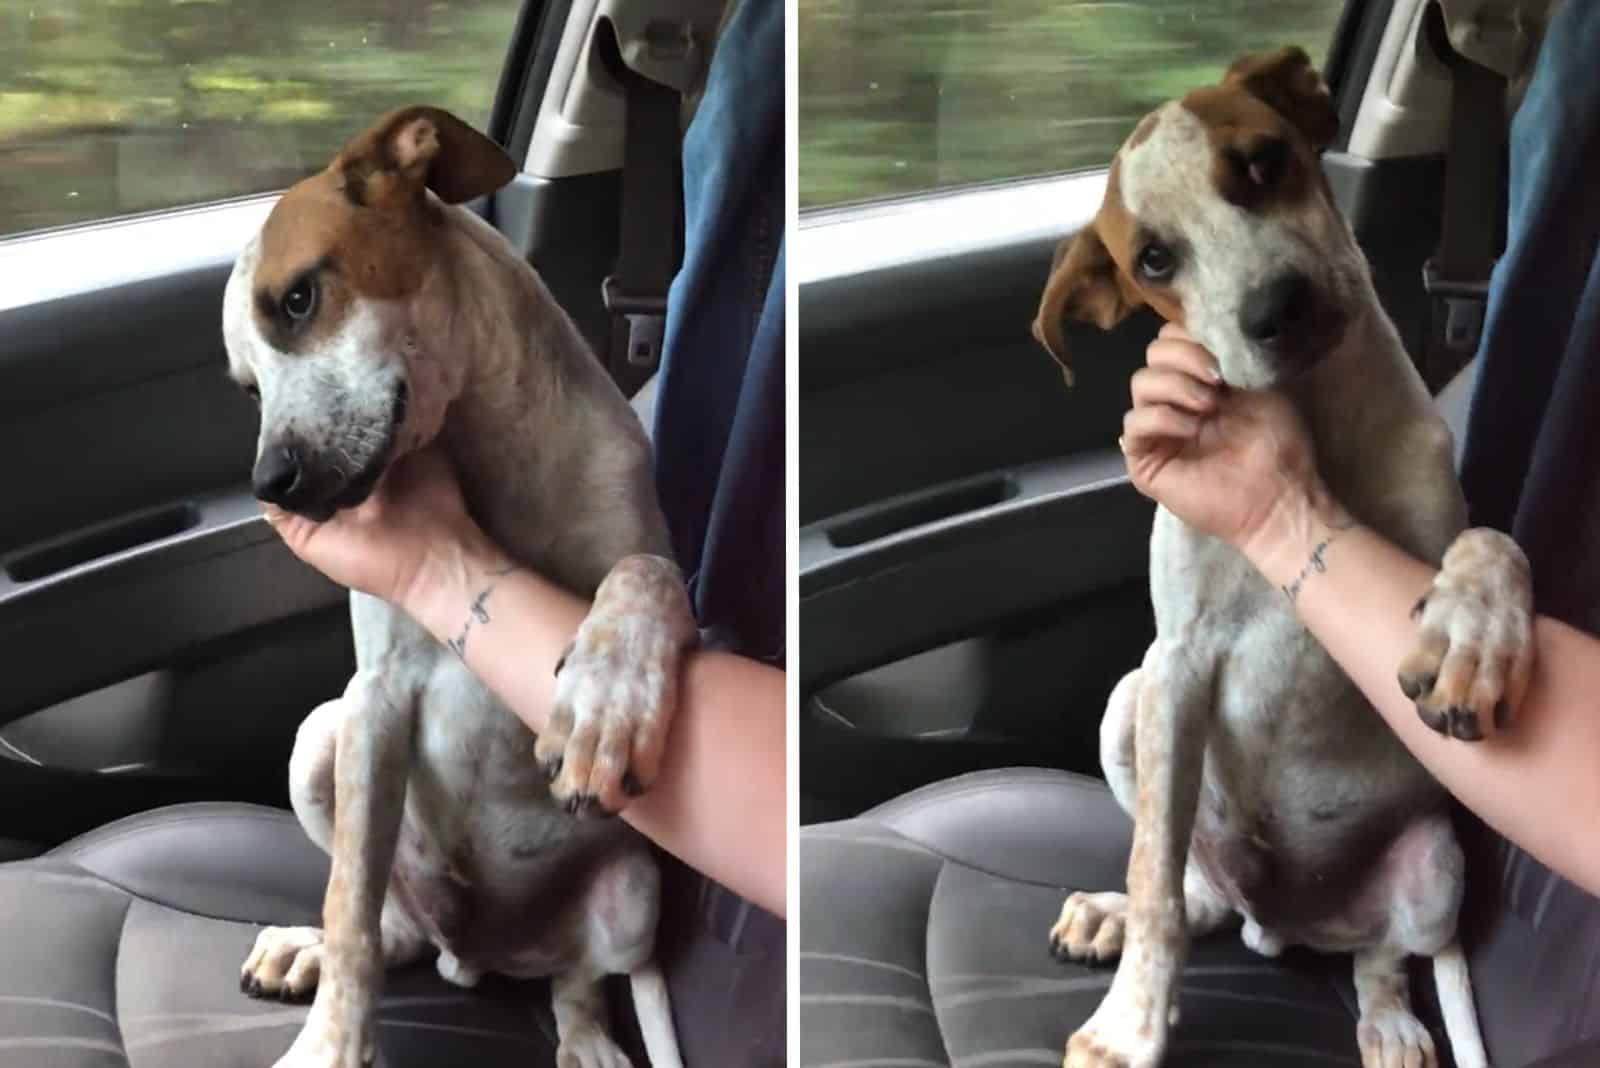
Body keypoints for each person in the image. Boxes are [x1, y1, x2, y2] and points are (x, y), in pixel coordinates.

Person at [1119, 321, 1600, 897]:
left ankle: (1375, 966)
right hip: (1238, 858)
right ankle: (1207, 897)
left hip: (1385, 885)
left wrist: (1282, 520)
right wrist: (1277, 514)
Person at [261, 445, 786, 918]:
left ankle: (575, 996)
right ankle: (401, 930)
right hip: (435, 887)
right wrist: (433, 568)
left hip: (581, 914)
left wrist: (436, 570)